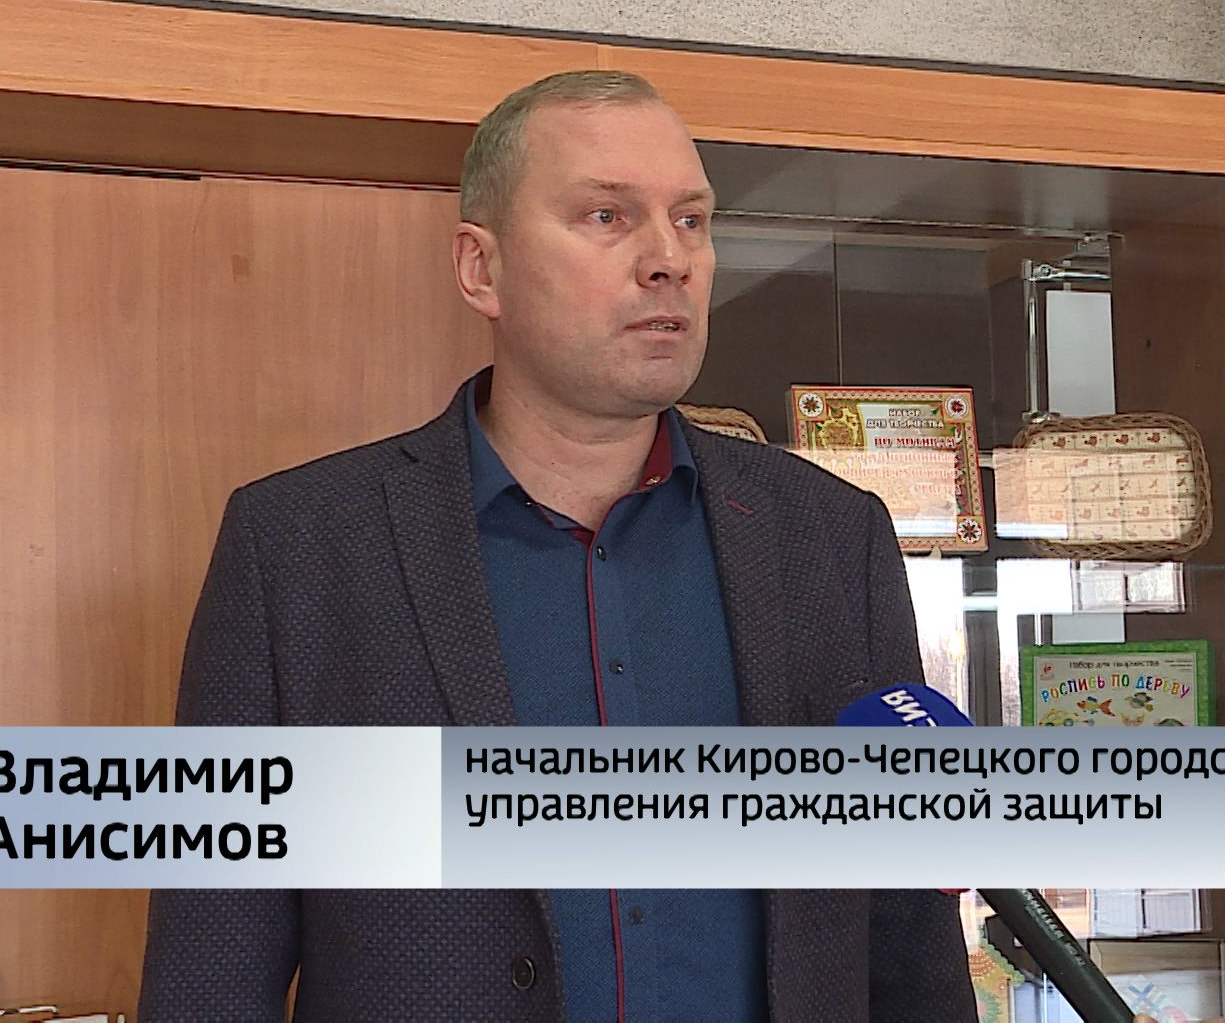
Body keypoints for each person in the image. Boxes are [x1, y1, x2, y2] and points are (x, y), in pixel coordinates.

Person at [137, 70, 972, 1021]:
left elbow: (911, 946)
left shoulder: (830, 538)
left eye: (691, 221)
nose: (669, 260)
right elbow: (212, 966)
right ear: (481, 269)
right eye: (607, 217)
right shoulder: (297, 549)